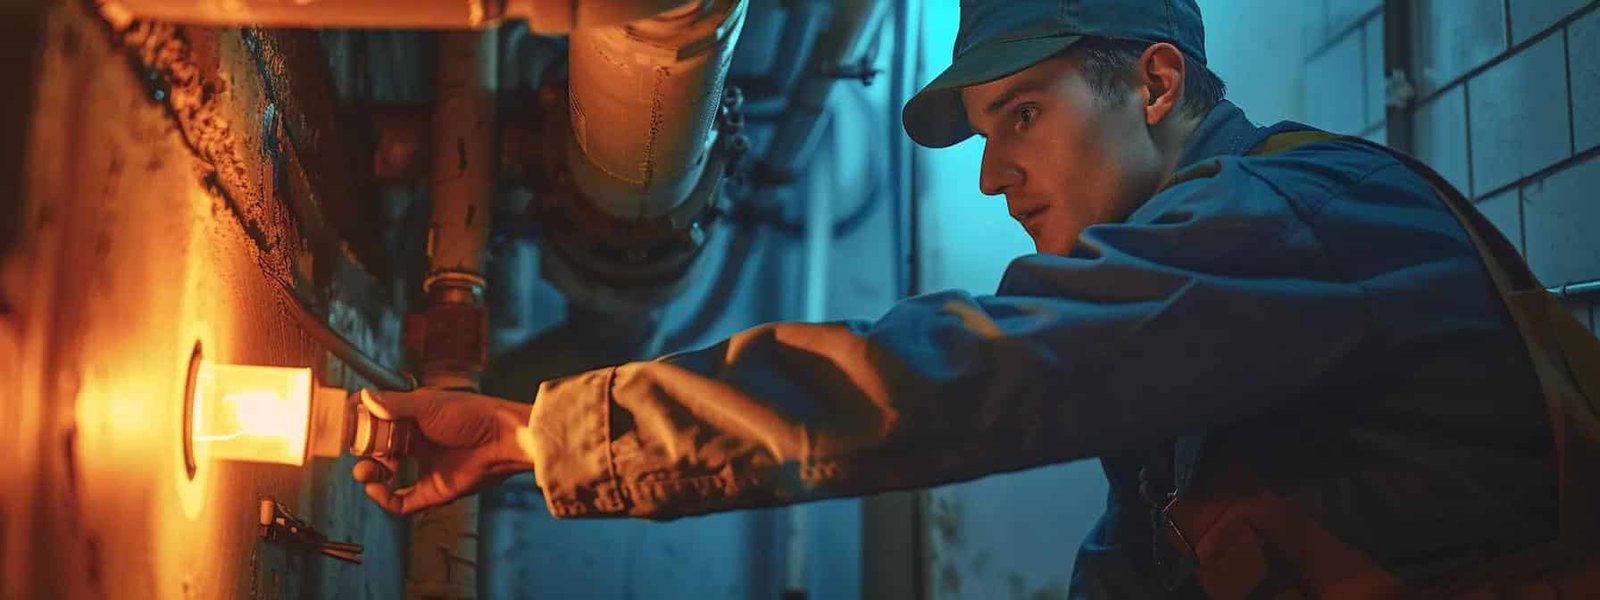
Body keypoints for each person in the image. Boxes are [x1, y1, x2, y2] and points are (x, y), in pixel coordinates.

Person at [353, 0, 1600, 596]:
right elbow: (1138, 571)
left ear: (1155, 84)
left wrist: (544, 433)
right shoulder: (1206, 297)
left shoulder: (1285, 222)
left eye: (1021, 117)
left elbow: (971, 373)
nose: (997, 173)